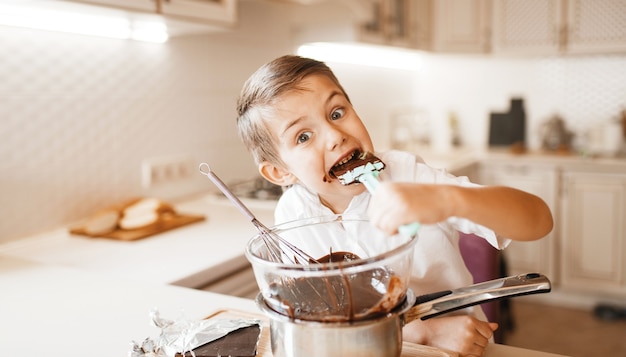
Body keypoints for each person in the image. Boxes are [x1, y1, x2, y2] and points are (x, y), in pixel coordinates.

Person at [236, 55, 553, 357]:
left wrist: (447, 199)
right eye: (304, 137)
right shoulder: (294, 215)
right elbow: (323, 320)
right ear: (280, 172)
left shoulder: (409, 176)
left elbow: (539, 219)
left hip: (457, 346)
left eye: (336, 113)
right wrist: (420, 333)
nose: (335, 136)